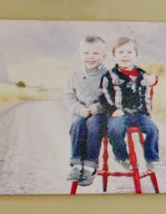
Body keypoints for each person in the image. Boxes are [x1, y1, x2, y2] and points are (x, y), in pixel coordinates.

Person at [102, 35, 160, 169]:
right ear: (114, 55)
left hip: (139, 114)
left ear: (135, 55)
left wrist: (153, 80)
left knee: (153, 129)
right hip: (119, 114)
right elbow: (103, 96)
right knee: (115, 130)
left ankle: (152, 159)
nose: (125, 56)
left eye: (129, 52)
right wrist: (113, 110)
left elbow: (150, 86)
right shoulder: (109, 76)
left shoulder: (140, 73)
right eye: (120, 52)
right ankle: (122, 157)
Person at [64, 33, 111, 186]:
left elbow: (113, 98)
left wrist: (98, 107)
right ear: (80, 55)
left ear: (104, 56)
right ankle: (77, 165)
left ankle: (90, 166)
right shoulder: (75, 75)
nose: (90, 57)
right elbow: (69, 96)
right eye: (86, 53)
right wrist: (79, 109)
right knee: (77, 123)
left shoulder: (109, 75)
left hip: (101, 114)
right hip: (81, 112)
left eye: (96, 53)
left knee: (93, 124)